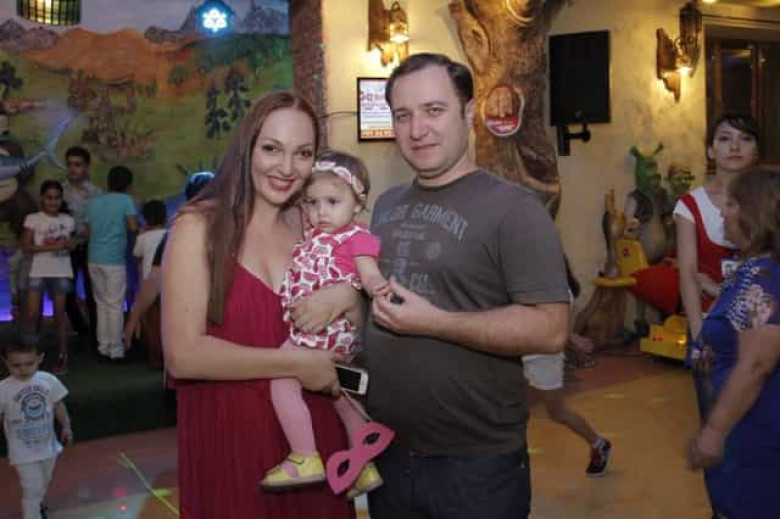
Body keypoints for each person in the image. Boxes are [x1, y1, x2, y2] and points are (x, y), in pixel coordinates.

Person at [362, 53, 570, 519]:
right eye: (403, 115)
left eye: (434, 110)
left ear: (468, 113)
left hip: (474, 467)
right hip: (388, 454)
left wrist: (436, 323)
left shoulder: (515, 210)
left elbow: (551, 329)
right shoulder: (386, 204)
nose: (417, 130)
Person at [162, 92, 361, 518]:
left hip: (313, 435)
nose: (287, 168)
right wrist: (295, 363)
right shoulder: (198, 226)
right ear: (247, 147)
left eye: (302, 153)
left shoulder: (314, 225)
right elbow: (182, 355)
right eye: (272, 148)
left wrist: (348, 296)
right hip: (230, 437)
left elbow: (357, 326)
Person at [260, 150, 387, 495]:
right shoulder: (314, 238)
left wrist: (377, 286)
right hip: (332, 335)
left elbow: (369, 272)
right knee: (345, 399)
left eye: (332, 202)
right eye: (313, 203)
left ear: (358, 203)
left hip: (324, 333)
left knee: (282, 380)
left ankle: (304, 456)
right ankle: (362, 465)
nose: (321, 212)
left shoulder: (357, 238)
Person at [675, 114, 759, 517]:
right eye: (724, 139)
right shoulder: (690, 205)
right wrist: (698, 335)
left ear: (757, 149)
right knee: (717, 427)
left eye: (745, 139)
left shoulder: (769, 202)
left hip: (764, 334)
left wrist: (724, 287)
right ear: (710, 149)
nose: (735, 147)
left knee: (762, 429)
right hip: (717, 335)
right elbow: (688, 276)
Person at [689, 167, 780, 519]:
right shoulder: (755, 269)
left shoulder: (764, 277)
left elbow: (757, 363)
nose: (722, 213)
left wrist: (715, 430)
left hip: (759, 427)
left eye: (730, 203)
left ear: (752, 211)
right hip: (746, 424)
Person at [523, 260, 612, 477]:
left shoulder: (560, 290)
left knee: (557, 412)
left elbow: (551, 323)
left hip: (543, 357)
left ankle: (599, 443)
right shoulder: (530, 279)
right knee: (507, 407)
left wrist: (572, 339)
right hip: (521, 350)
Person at [123, 172, 214, 367]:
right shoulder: (179, 232)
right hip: (192, 323)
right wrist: (133, 318)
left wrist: (133, 317)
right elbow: (154, 279)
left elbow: (153, 279)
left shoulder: (232, 231)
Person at [0, 340, 72, 519]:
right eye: (16, 365)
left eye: (29, 364)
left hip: (48, 447)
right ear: (5, 362)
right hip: (21, 450)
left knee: (43, 482)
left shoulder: (48, 380)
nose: (23, 370)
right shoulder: (3, 389)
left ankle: (37, 503)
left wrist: (66, 426)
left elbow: (58, 404)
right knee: (31, 487)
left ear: (40, 359)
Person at [21, 180, 76, 375]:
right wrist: (54, 246)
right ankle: (29, 357)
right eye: (49, 198)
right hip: (38, 271)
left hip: (61, 271)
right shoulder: (33, 218)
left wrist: (71, 245)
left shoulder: (68, 220)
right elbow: (26, 247)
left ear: (62, 199)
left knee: (59, 315)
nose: (53, 201)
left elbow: (73, 243)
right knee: (32, 315)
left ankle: (63, 356)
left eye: (57, 198)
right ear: (42, 199)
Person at [85, 166, 138, 360]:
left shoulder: (93, 202)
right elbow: (132, 227)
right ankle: (116, 349)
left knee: (101, 304)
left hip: (93, 258)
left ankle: (103, 346)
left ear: (108, 182)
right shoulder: (126, 200)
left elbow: (87, 231)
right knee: (115, 305)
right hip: (114, 259)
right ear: (129, 184)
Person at [62, 146, 101, 340]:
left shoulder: (96, 193)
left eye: (77, 165)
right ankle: (82, 331)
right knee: (66, 294)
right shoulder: (59, 191)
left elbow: (98, 222)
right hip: (65, 249)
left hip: (90, 247)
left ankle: (96, 334)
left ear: (86, 167)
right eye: (69, 164)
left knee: (93, 292)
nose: (72, 168)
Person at [133, 200, 167, 282]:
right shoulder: (171, 235)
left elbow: (136, 256)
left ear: (145, 219)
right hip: (167, 280)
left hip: (148, 279)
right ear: (165, 217)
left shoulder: (142, 238)